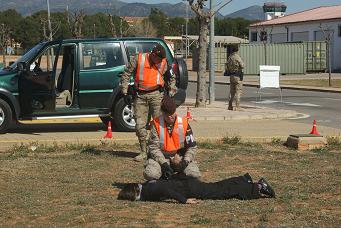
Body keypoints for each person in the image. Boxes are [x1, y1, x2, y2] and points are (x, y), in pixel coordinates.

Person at [120, 44, 177, 162]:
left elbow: (171, 77)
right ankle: (143, 152)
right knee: (140, 125)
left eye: (161, 59)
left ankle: (156, 151)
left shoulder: (163, 62)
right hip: (140, 96)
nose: (160, 61)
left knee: (158, 125)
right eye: (158, 59)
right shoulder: (138, 59)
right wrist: (124, 92)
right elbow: (126, 74)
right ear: (153, 55)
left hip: (157, 95)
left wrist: (171, 91)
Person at [144, 95, 201, 181]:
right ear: (162, 112)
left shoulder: (183, 123)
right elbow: (153, 147)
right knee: (150, 174)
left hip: (180, 157)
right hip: (161, 158)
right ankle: (164, 174)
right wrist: (163, 164)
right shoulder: (156, 124)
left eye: (172, 113)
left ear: (175, 111)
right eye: (167, 114)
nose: (170, 117)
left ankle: (178, 175)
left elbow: (192, 147)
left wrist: (185, 162)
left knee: (194, 174)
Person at [117, 173, 276, 203]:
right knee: (219, 186)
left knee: (222, 192)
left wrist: (184, 200)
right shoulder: (147, 185)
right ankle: (244, 180)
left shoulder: (148, 191)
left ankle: (258, 187)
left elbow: (167, 191)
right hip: (187, 183)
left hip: (189, 189)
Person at [225, 44, 244, 111]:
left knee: (232, 92)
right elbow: (242, 65)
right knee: (238, 91)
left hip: (231, 75)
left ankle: (230, 106)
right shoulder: (237, 57)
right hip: (237, 75)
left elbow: (227, 66)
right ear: (237, 49)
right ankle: (237, 106)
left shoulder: (230, 57)